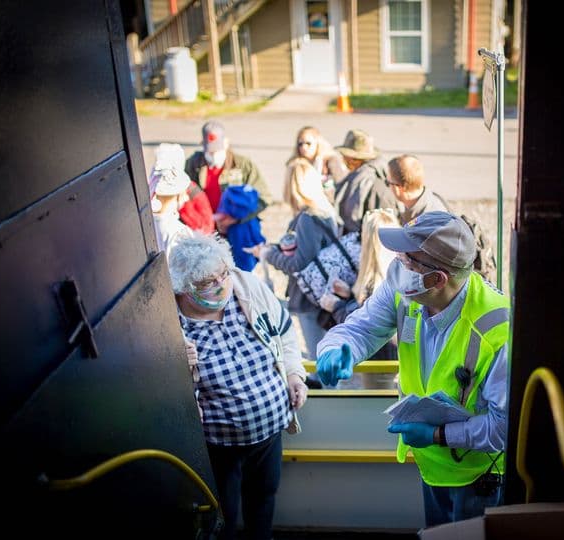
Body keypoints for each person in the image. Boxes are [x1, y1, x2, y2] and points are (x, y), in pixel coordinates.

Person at [315, 211, 509, 526]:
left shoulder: (497, 329)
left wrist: (436, 434)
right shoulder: (407, 291)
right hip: (430, 462)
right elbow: (361, 328)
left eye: (409, 261)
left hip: (478, 477)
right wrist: (333, 352)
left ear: (437, 279)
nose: (397, 265)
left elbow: (503, 430)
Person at [168, 233, 308, 540]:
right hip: (217, 447)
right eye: (208, 282)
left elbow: (285, 334)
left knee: (264, 500)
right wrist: (179, 361)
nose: (222, 285)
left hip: (269, 432)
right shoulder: (169, 323)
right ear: (183, 288)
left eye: (223, 274)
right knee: (222, 516)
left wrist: (295, 375)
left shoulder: (247, 287)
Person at [246, 157, 341, 366]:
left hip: (310, 298)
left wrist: (269, 255)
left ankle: (327, 394)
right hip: (324, 292)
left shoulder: (308, 218)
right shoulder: (325, 210)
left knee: (320, 360)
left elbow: (300, 263)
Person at [318, 207, 400, 379]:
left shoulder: (375, 283)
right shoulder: (399, 277)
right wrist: (349, 295)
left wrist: (337, 306)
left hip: (379, 365)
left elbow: (367, 326)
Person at [185, 120, 273, 234]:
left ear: (226, 143)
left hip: (238, 229)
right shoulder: (193, 164)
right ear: (202, 144)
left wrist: (237, 218)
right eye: (210, 152)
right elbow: (184, 198)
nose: (214, 155)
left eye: (218, 150)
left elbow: (264, 197)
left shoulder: (243, 165)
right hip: (205, 230)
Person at [333, 129, 398, 235]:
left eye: (345, 156)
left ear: (354, 159)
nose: (343, 159)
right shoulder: (360, 177)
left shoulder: (371, 184)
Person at [147, 147, 194, 257]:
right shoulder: (179, 233)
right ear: (177, 194)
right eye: (184, 193)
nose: (186, 198)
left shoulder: (146, 222)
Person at [386, 154, 451, 224]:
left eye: (388, 182)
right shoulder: (410, 204)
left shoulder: (430, 221)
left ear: (400, 187)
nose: (387, 186)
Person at [292, 126, 349, 203]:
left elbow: (344, 187)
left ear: (318, 143)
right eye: (300, 144)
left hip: (331, 206)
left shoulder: (330, 161)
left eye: (308, 143)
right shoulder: (297, 165)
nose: (304, 147)